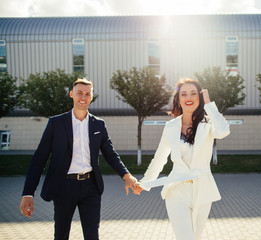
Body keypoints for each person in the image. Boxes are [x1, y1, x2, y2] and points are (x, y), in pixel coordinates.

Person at [20, 78, 141, 240]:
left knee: (92, 235)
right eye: (79, 93)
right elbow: (39, 159)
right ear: (71, 94)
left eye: (87, 94)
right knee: (61, 235)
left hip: (91, 186)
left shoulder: (98, 124)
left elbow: (110, 154)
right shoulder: (56, 123)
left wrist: (127, 176)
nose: (83, 97)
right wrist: (28, 193)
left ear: (91, 97)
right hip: (64, 187)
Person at [138, 78, 230, 240]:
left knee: (195, 237)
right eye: (184, 94)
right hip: (177, 191)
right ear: (178, 99)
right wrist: (144, 183)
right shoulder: (171, 127)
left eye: (194, 94)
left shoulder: (208, 124)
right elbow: (159, 158)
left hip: (203, 191)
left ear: (200, 98)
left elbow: (222, 131)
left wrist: (209, 104)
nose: (189, 97)